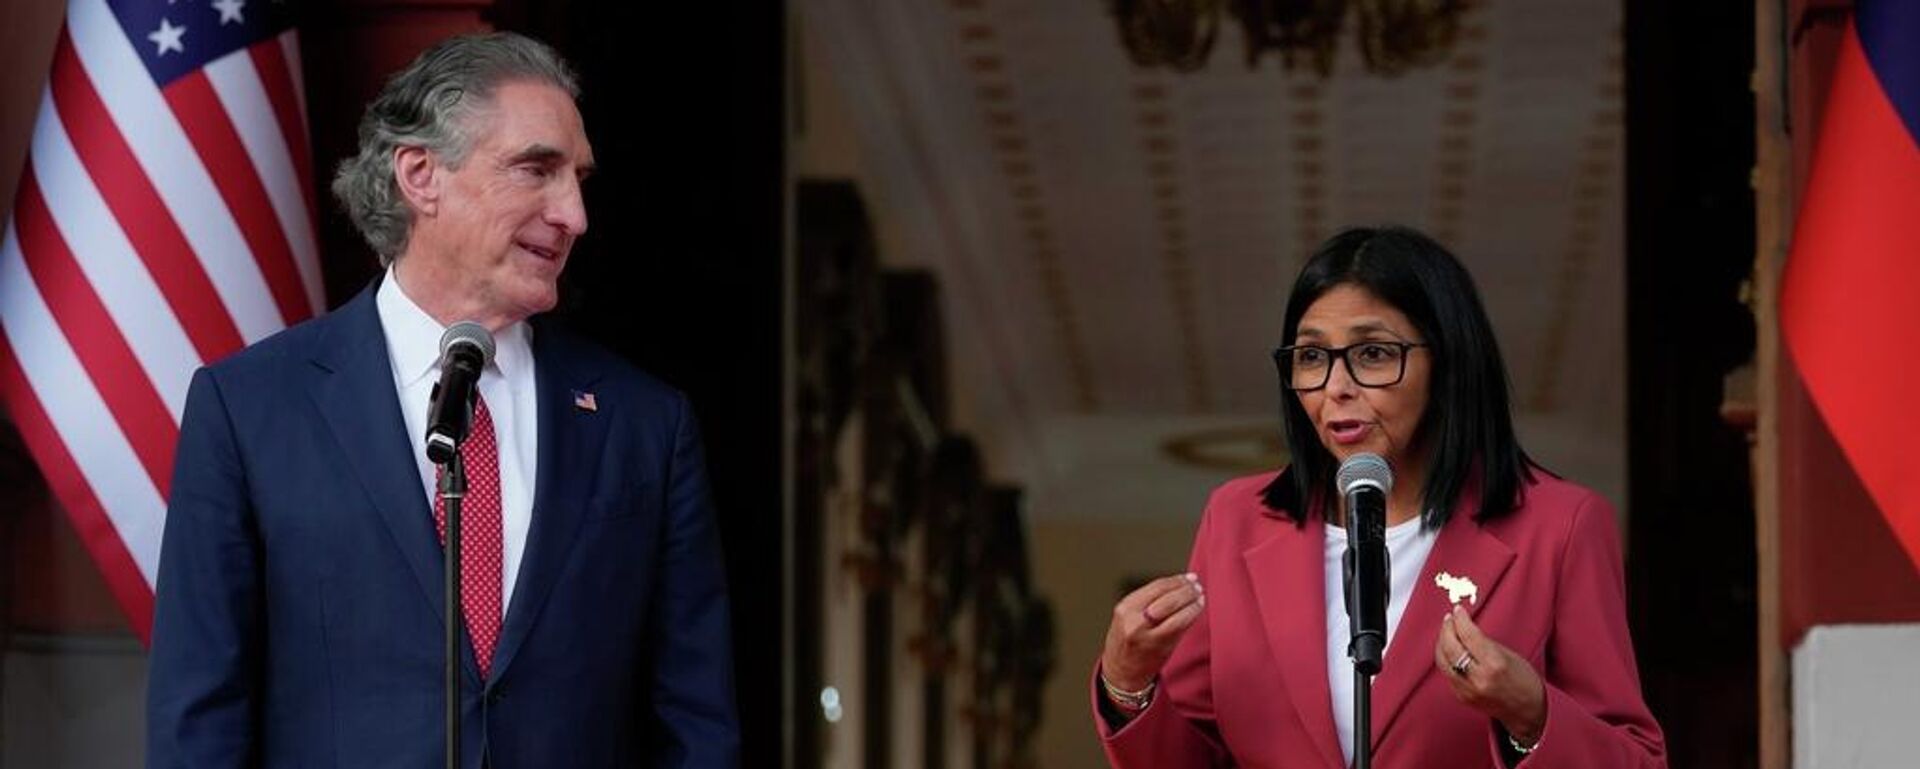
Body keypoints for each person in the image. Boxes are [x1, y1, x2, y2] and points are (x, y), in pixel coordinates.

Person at [146, 33, 738, 768]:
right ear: (421, 175)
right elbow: (198, 721)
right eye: (537, 169)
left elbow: (697, 725)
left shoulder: (645, 424)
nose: (575, 215)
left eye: (579, 179)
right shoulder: (250, 408)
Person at [1092, 226, 1665, 768]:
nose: (1336, 388)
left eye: (1372, 354)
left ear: (1446, 363)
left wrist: (1531, 714)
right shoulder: (1237, 520)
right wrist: (1128, 681)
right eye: (1312, 357)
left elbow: (1637, 759)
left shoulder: (1559, 526)